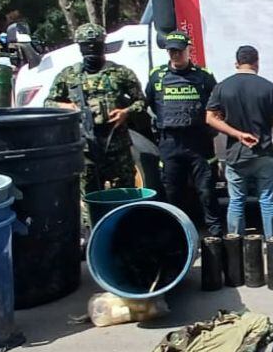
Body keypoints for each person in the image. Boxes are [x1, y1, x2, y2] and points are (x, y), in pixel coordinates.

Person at [45, 23, 145, 230]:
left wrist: (125, 113)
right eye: (86, 46)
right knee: (89, 196)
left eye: (95, 46)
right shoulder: (69, 75)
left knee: (123, 195)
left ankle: (124, 234)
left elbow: (142, 102)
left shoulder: (120, 73)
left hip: (116, 145)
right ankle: (92, 236)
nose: (91, 51)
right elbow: (49, 102)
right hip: (86, 147)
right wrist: (68, 107)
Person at [145, 30, 222, 237]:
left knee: (206, 191)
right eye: (171, 52)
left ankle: (215, 235)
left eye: (179, 51)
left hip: (199, 143)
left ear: (189, 50)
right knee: (172, 193)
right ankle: (178, 235)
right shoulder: (157, 76)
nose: (175, 55)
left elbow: (215, 107)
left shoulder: (204, 76)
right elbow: (150, 102)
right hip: (170, 143)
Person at [206, 45, 273, 237]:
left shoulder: (223, 86)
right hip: (263, 151)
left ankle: (236, 245)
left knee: (236, 201)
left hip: (235, 153)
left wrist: (237, 134)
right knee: (267, 199)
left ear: (236, 63)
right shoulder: (268, 87)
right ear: (257, 63)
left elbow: (210, 118)